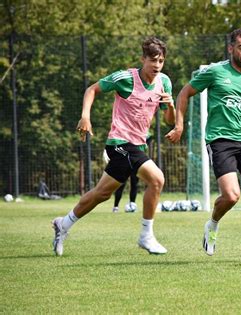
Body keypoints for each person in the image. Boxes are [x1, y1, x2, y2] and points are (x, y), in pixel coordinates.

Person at [166, 28, 241, 263]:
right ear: (231, 48)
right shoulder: (215, 72)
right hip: (220, 141)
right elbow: (184, 93)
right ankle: (212, 224)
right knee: (232, 196)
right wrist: (179, 126)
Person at [51, 37, 175, 256]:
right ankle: (146, 236)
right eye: (153, 60)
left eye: (161, 61)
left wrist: (171, 106)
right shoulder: (126, 78)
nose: (157, 65)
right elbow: (92, 89)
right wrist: (85, 117)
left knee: (102, 194)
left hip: (137, 146)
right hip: (118, 143)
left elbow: (168, 120)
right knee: (157, 179)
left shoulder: (164, 82)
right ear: (143, 59)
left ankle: (64, 224)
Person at [109, 136, 153, 213]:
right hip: (125, 163)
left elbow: (147, 141)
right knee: (120, 184)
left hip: (136, 163)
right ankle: (116, 207)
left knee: (134, 183)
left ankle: (132, 204)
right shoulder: (126, 135)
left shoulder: (143, 135)